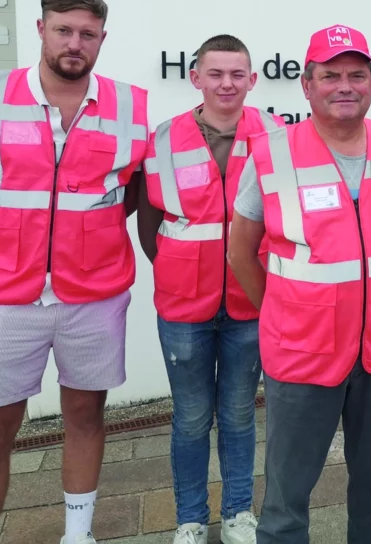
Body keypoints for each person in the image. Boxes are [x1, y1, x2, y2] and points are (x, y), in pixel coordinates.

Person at [0, 0, 149, 544]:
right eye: (64, 30)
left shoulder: (131, 105)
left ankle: (77, 535)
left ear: (102, 38)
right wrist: (7, 236)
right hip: (8, 294)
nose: (74, 43)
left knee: (85, 417)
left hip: (95, 295)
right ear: (41, 30)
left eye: (87, 33)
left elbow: (127, 195)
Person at [227, 24, 371, 544]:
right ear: (306, 85)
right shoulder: (271, 153)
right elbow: (240, 252)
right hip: (302, 353)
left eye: (356, 75)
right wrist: (283, 312)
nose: (345, 85)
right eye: (330, 74)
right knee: (287, 496)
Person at [139, 35, 284, 544]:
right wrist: (179, 269)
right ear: (196, 78)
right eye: (215, 73)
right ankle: (192, 519)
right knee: (192, 418)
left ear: (252, 79)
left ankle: (239, 514)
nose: (227, 83)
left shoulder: (276, 135)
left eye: (236, 74)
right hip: (184, 306)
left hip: (250, 302)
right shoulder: (162, 139)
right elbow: (150, 221)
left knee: (241, 414)